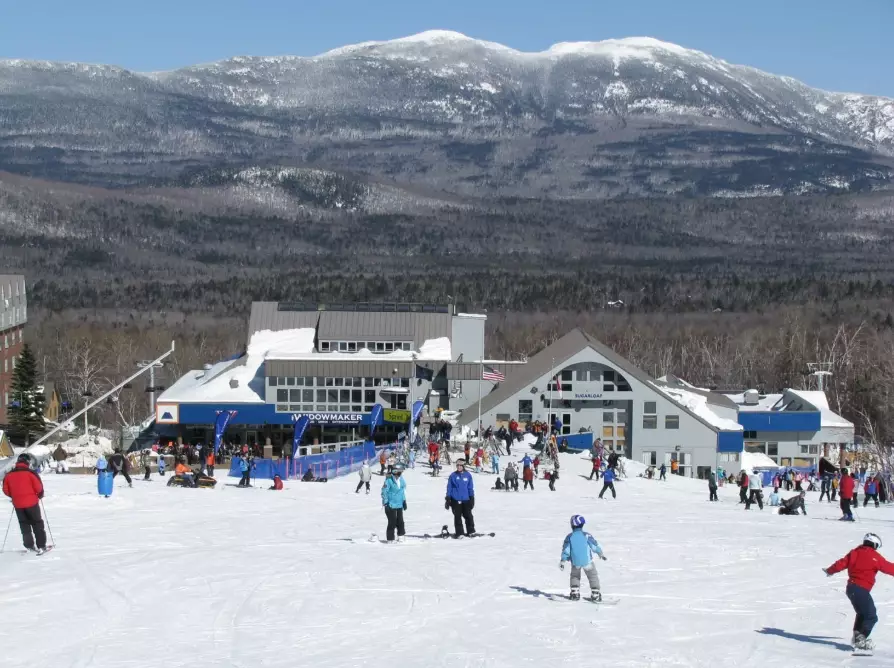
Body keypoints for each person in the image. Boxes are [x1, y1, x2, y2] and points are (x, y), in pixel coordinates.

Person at [824, 533, 894, 651]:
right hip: (860, 589)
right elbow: (889, 567)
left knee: (862, 614)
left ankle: (857, 639)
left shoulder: (854, 553)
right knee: (871, 616)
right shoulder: (874, 556)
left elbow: (841, 563)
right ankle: (860, 641)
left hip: (851, 589)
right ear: (874, 544)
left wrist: (830, 570)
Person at [2, 454, 49, 554]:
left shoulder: (9, 474)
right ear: (27, 462)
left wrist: (15, 496)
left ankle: (29, 545)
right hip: (31, 503)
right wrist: (40, 495)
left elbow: (5, 490)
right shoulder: (30, 473)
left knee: (24, 525)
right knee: (37, 523)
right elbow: (39, 487)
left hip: (18, 504)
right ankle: (41, 546)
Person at [559, 514, 607, 602]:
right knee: (592, 576)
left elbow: (566, 550)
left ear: (572, 525)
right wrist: (600, 553)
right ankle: (595, 593)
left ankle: (574, 593)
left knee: (575, 576)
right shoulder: (586, 535)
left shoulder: (569, 537)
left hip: (575, 562)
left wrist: (563, 560)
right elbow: (594, 546)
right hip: (587, 561)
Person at [445, 459, 476, 538]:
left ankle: (471, 531)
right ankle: (459, 533)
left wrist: (472, 497)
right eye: (457, 465)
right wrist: (448, 498)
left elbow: (470, 487)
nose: (458, 467)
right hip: (455, 499)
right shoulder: (453, 475)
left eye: (460, 466)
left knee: (468, 516)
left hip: (466, 499)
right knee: (457, 517)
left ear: (463, 466)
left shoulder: (468, 475)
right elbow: (449, 487)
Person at [381, 466, 407, 543]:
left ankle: (401, 535)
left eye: (400, 473)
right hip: (391, 504)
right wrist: (386, 503)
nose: (399, 475)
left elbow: (402, 491)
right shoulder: (388, 480)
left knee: (400, 521)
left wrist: (404, 501)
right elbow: (384, 492)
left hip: (399, 503)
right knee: (392, 522)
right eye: (398, 473)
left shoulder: (401, 479)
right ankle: (390, 538)